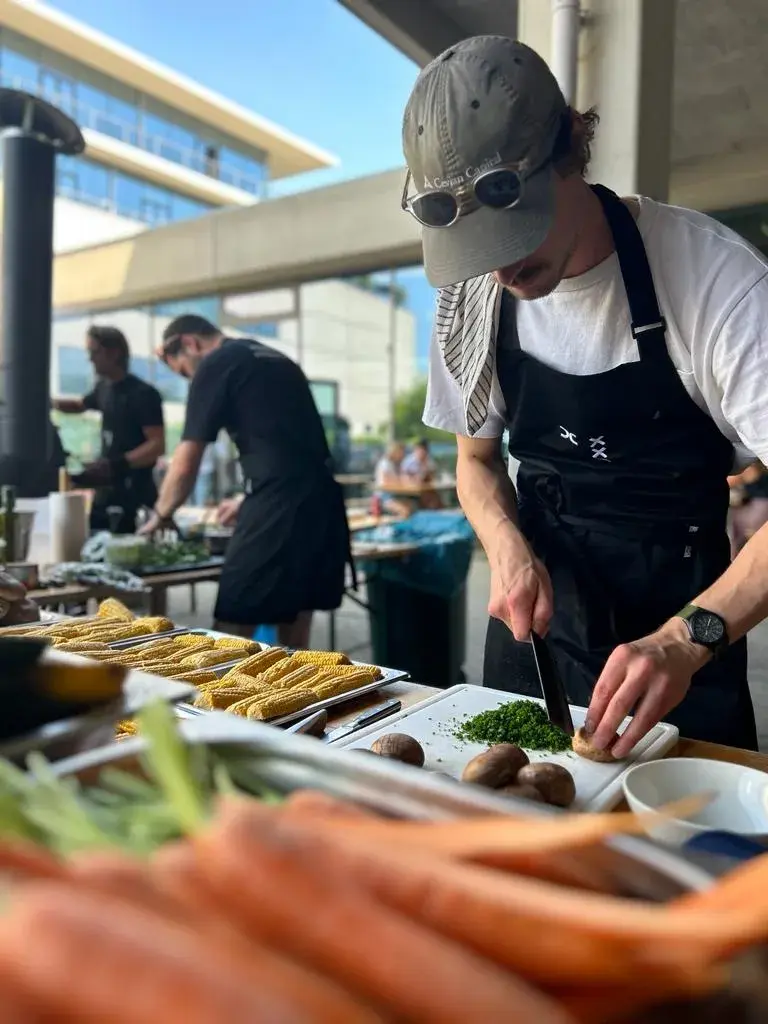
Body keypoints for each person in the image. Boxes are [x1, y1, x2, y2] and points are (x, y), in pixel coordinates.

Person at [407, 35, 768, 755]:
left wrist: (685, 639)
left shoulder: (714, 281)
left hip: (684, 634)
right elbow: (476, 463)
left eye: (516, 229)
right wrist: (507, 549)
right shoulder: (471, 297)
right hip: (534, 628)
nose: (500, 266)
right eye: (477, 247)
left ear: (568, 151)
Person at [139, 315, 351, 649]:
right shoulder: (277, 359)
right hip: (322, 504)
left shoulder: (215, 364)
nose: (188, 379)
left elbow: (186, 461)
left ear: (190, 344)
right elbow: (290, 448)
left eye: (182, 370)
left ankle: (219, 699)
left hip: (280, 503)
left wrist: (160, 515)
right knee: (295, 617)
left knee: (231, 622)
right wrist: (246, 499)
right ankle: (291, 695)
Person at [52, 326, 165, 534]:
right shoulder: (103, 388)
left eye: (95, 352)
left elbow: (157, 445)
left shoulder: (143, 394)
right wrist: (45, 402)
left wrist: (118, 463)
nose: (90, 359)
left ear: (114, 353)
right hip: (106, 491)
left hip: (135, 492)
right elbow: (79, 406)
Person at [373, 443, 411, 518]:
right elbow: (385, 483)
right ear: (395, 452)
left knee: (410, 505)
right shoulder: (385, 464)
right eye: (401, 452)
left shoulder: (392, 464)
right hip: (383, 498)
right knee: (404, 510)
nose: (402, 455)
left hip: (392, 496)